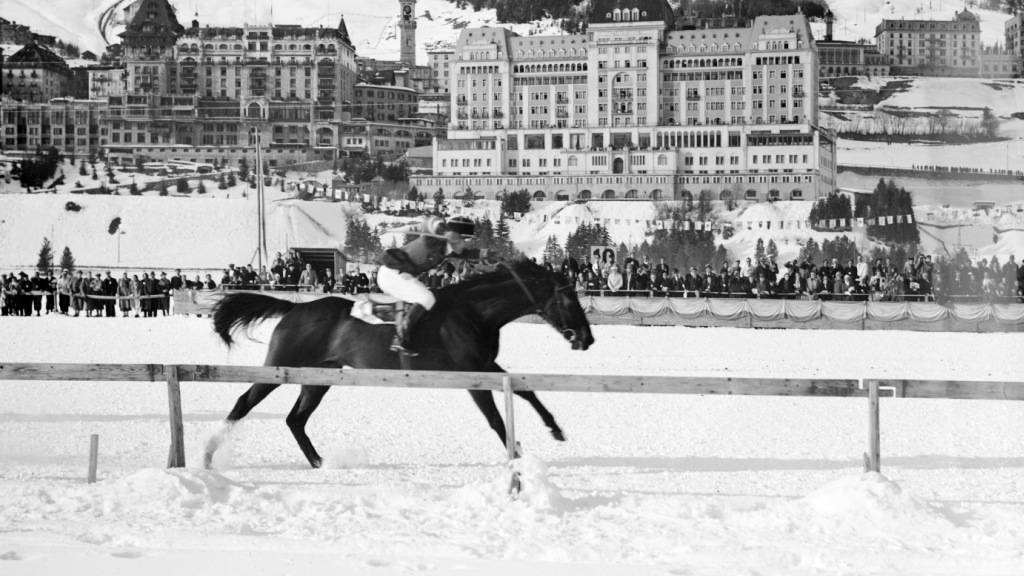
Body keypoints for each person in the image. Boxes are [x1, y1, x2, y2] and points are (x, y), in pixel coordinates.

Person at [376, 215, 475, 355]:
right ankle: (400, 338)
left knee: (431, 297)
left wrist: (488, 254)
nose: (465, 244)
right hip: (391, 274)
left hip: (399, 275)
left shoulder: (446, 249)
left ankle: (418, 332)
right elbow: (430, 222)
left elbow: (468, 253)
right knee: (427, 298)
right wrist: (442, 229)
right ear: (455, 236)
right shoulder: (433, 240)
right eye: (464, 239)